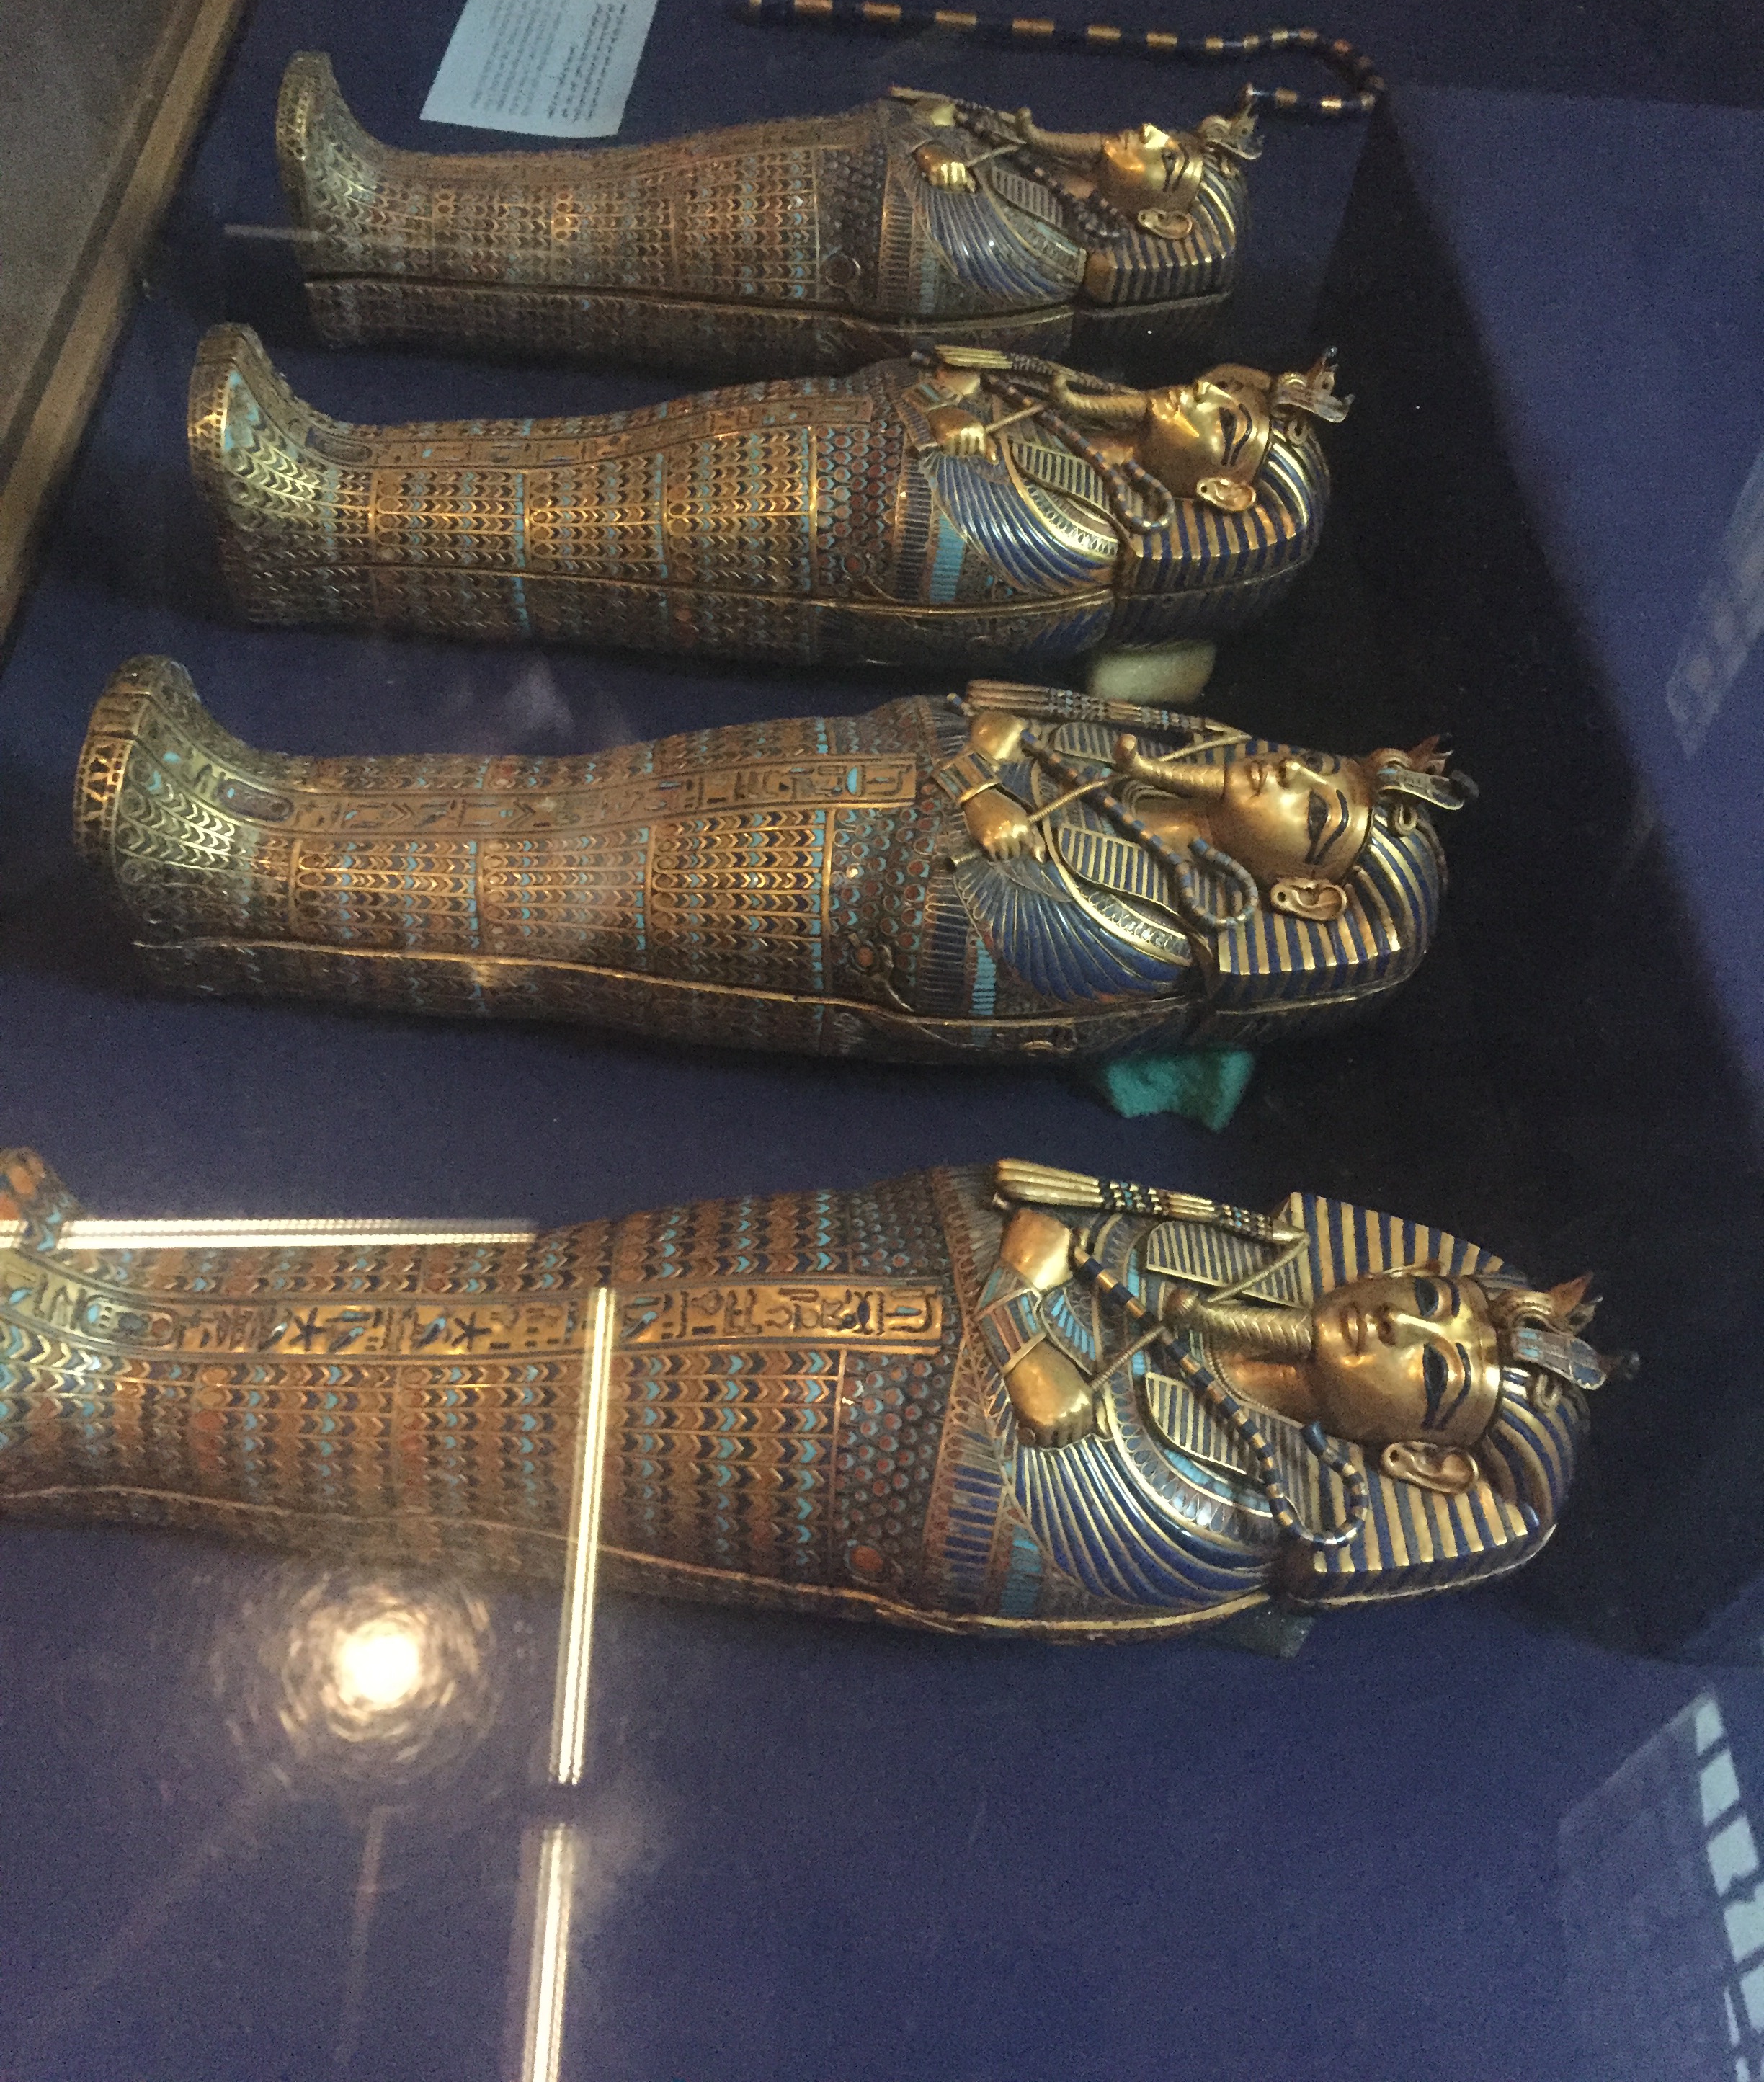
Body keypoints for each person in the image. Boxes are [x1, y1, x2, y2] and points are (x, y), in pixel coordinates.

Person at [0, 1149, 1627, 1634]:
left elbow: (1002, 1513)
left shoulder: (1217, 1516)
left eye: (1433, 1370)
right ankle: (82, 1283)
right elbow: (999, 1211)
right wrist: (1021, 1283)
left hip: (808, 1434)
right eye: (1437, 1301)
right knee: (488, 1288)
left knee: (429, 1418)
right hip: (813, 1263)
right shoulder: (1210, 1258)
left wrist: (1024, 1296)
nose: (1403, 1319)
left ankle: (63, 1387)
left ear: (1420, 1468)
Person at [75, 664, 1470, 1062]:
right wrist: (1003, 776)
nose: (1294, 776)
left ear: (1299, 896)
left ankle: (211, 876)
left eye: (1317, 814)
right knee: (542, 801)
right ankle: (247, 794)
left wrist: (989, 787)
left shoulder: (1149, 942)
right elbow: (972, 721)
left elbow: (944, 925)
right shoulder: (1140, 781)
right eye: (1323, 771)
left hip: (811, 891)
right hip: (816, 784)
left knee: (529, 894)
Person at [193, 324, 1346, 672]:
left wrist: (957, 429)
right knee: (582, 455)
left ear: (1220, 490)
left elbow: (939, 536)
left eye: (1225, 422)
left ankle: (308, 516)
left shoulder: (1084, 548)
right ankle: (324, 475)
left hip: (819, 514)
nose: (1205, 397)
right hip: (817, 439)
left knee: (580, 515)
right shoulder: (1095, 441)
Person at [276, 58, 1261, 375]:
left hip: (827, 229)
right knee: (611, 197)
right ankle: (377, 210)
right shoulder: (1046, 193)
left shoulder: (1042, 259)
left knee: (610, 231)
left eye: (1168, 161)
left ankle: (373, 235)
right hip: (827, 183)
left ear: (1160, 226)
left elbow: (935, 250)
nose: (1148, 135)